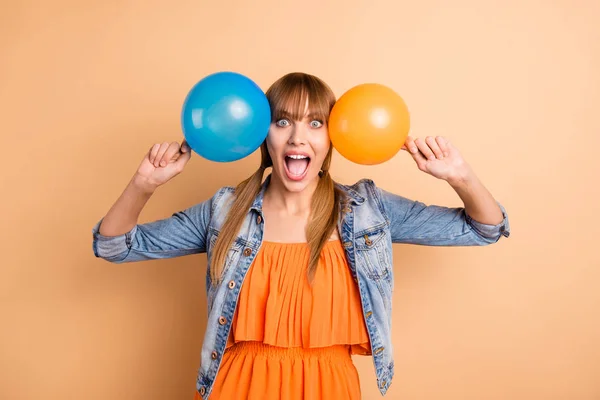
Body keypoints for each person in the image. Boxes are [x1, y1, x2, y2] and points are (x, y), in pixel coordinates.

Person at [92, 72, 510, 399]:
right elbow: (113, 245)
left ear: (334, 136)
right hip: (239, 386)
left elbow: (484, 228)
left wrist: (459, 175)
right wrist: (143, 184)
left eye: (315, 122)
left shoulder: (367, 211)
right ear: (261, 134)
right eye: (282, 121)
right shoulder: (225, 210)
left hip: (331, 387)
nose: (298, 137)